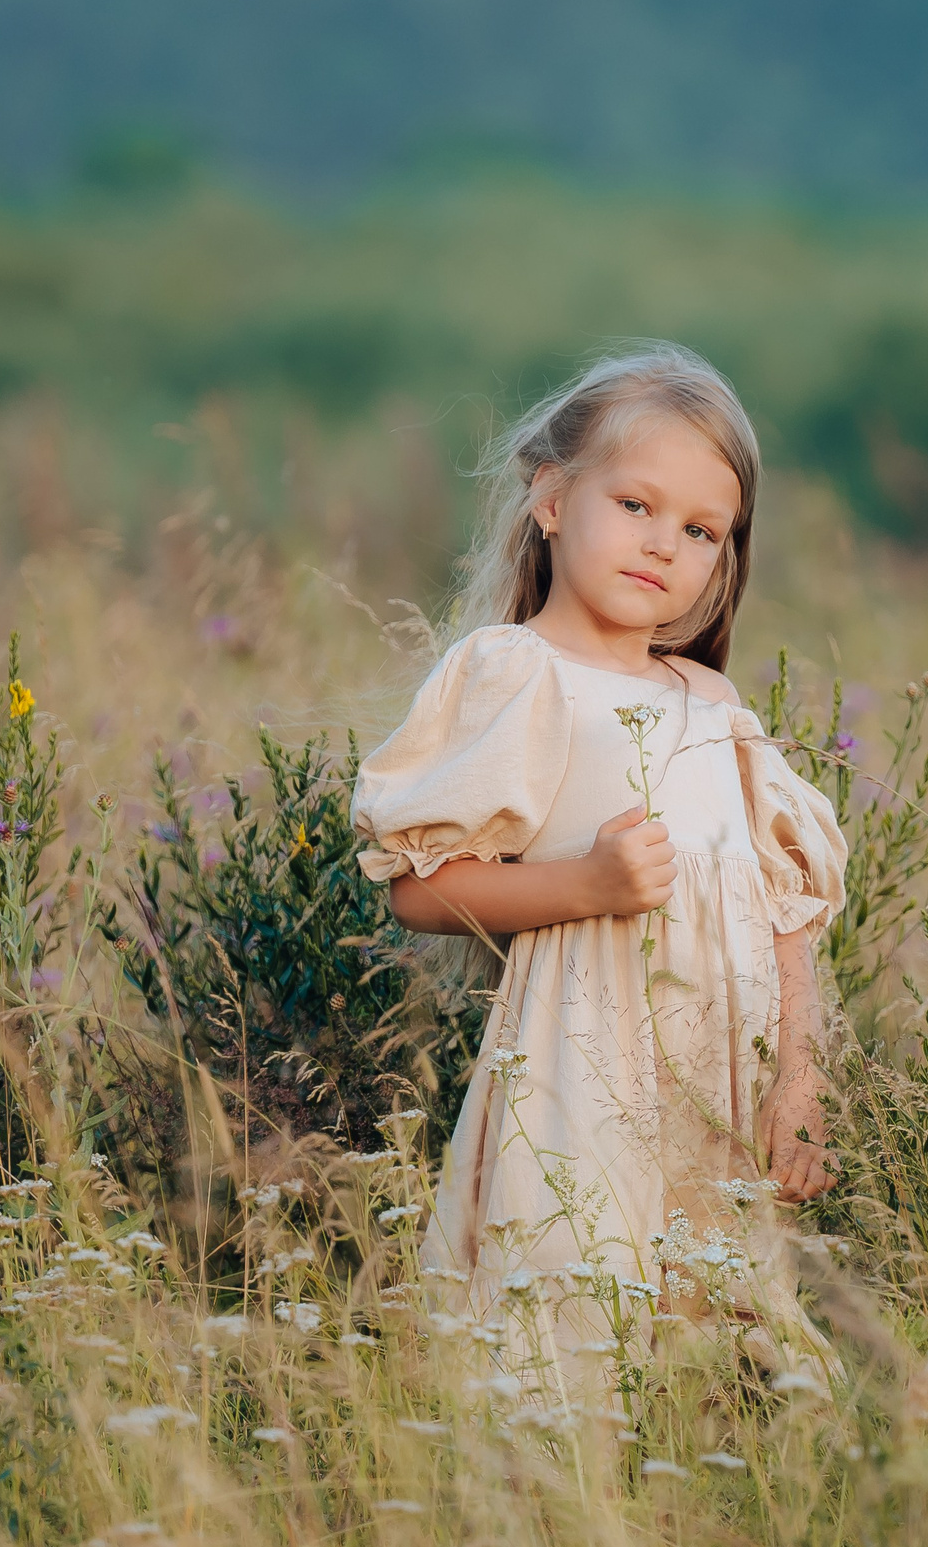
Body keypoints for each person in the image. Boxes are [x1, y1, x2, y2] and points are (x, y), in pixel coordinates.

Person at [352, 342, 846, 1376]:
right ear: (551, 498)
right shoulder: (518, 673)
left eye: (701, 530)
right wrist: (586, 885)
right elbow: (420, 886)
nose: (663, 545)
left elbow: (786, 913)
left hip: (718, 1078)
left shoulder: (710, 703)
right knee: (569, 1328)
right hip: (582, 1068)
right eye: (636, 506)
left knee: (722, 1343)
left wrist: (795, 1087)